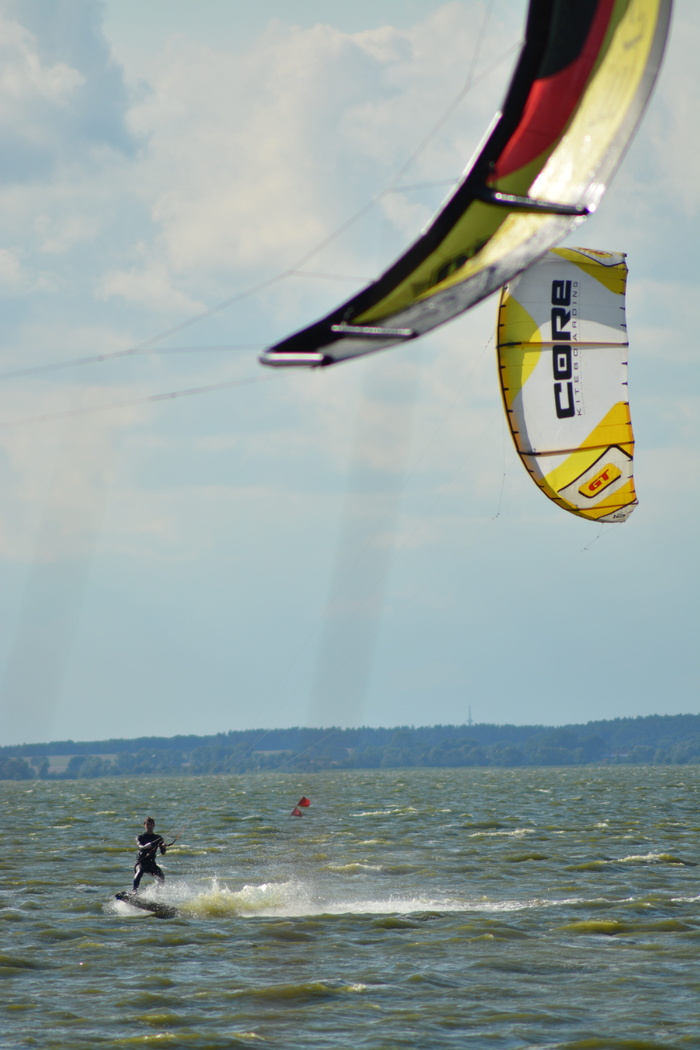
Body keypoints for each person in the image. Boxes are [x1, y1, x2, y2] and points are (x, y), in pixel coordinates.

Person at [133, 816, 167, 892]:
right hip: (141, 862)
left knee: (161, 877)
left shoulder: (158, 838)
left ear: (154, 825)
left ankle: (158, 894)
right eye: (147, 824)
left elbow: (163, 852)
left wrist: (164, 847)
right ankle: (134, 891)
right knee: (139, 872)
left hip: (151, 863)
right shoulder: (140, 837)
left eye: (151, 824)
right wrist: (145, 846)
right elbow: (139, 846)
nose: (149, 826)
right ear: (144, 825)